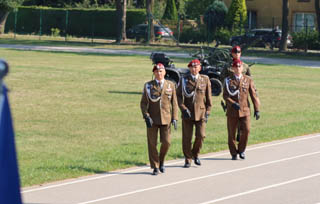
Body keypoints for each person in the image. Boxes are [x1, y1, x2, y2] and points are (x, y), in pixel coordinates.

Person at [140, 63, 179, 175]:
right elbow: (143, 103)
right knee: (152, 144)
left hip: (166, 118)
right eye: (157, 71)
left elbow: (174, 103)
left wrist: (175, 117)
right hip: (152, 119)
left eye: (161, 71)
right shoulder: (148, 86)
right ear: (154, 73)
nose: (159, 73)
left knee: (166, 142)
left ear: (165, 72)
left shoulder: (170, 85)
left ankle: (161, 161)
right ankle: (155, 166)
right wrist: (146, 116)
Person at [176, 59, 212, 168]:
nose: (194, 69)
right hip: (188, 112)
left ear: (200, 68)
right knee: (187, 138)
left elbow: (208, 97)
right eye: (192, 67)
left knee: (201, 136)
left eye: (196, 67)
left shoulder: (205, 79)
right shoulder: (184, 80)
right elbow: (178, 96)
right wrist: (183, 108)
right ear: (189, 68)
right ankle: (188, 158)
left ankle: (195, 154)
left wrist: (208, 111)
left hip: (201, 112)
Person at [223, 59, 260, 160]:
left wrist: (257, 109)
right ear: (233, 68)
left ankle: (242, 150)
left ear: (242, 68)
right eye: (236, 67)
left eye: (240, 67)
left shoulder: (248, 80)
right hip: (232, 111)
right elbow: (225, 95)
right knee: (231, 133)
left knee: (246, 130)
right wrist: (232, 103)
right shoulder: (228, 80)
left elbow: (253, 95)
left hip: (245, 110)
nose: (238, 68)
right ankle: (233, 153)